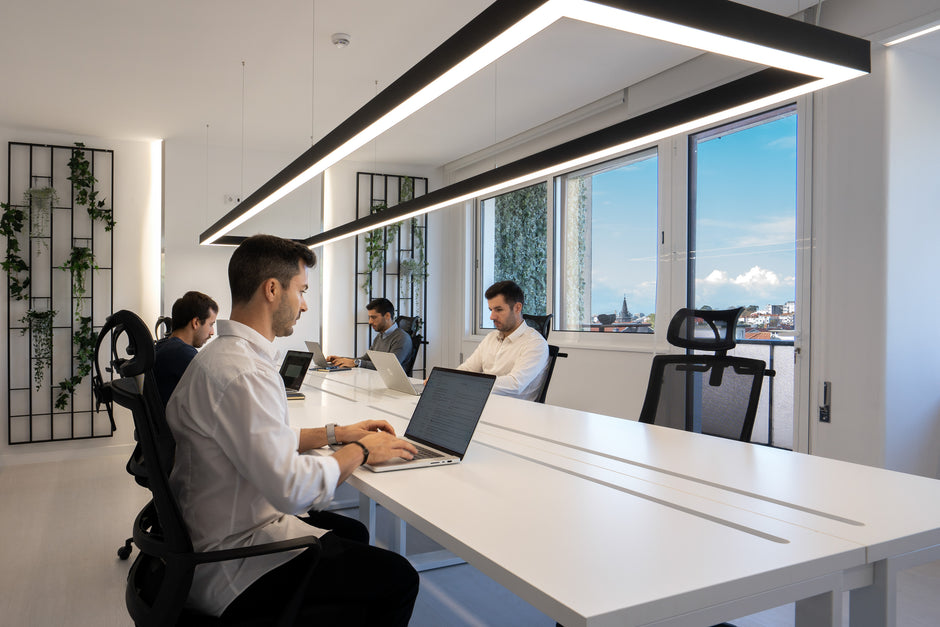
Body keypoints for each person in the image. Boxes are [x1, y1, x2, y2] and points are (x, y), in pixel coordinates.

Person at [165, 234, 419, 623]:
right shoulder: (245, 373)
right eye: (300, 291)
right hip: (235, 561)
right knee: (400, 578)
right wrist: (363, 450)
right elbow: (294, 491)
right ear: (272, 290)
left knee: (352, 535)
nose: (304, 304)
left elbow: (264, 441)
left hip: (212, 533)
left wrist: (338, 434)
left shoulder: (221, 355)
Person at [457, 280, 549, 402]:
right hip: (482, 403)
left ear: (517, 307)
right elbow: (468, 369)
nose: (492, 317)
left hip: (513, 413)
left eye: (498, 310)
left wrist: (472, 383)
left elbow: (515, 384)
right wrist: (447, 379)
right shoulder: (491, 338)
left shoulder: (535, 343)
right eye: (491, 310)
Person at [153, 290, 218, 406]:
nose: (212, 332)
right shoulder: (181, 353)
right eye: (211, 324)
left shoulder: (163, 347)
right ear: (196, 322)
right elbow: (215, 391)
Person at [328, 297, 412, 370]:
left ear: (387, 316)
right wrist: (342, 359)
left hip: (393, 387)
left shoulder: (402, 338)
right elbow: (366, 359)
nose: (370, 322)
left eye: (374, 317)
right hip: (375, 380)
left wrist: (356, 363)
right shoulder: (380, 336)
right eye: (369, 317)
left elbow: (389, 367)